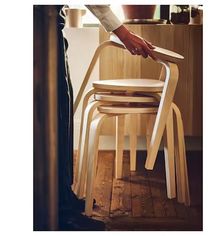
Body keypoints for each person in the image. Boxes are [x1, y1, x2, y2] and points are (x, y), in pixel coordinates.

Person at [57, 5, 157, 230]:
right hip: (39, 28)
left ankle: (62, 197)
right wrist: (123, 32)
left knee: (60, 116)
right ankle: (60, 212)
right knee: (54, 119)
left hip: (51, 29)